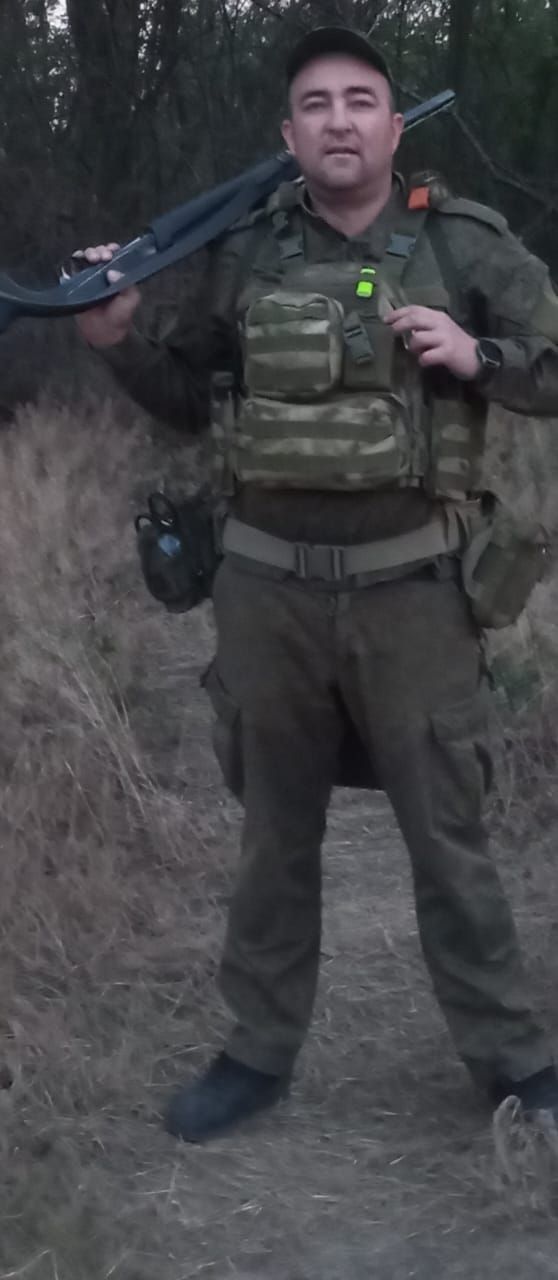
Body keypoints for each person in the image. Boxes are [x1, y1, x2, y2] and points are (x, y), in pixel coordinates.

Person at [75, 26, 558, 1143]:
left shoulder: (468, 246)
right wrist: (115, 340)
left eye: (360, 100)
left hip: (417, 591)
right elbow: (190, 400)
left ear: (393, 125)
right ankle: (256, 1051)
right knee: (272, 839)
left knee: (447, 838)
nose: (339, 120)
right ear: (288, 134)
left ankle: (511, 1058)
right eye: (316, 104)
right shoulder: (243, 250)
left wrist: (477, 355)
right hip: (266, 595)